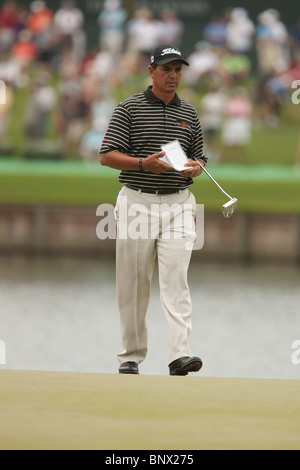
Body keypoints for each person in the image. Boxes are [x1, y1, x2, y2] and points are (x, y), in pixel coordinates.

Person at [99, 44, 207, 376]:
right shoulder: (129, 108)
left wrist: (196, 167)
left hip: (179, 203)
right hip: (137, 200)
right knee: (133, 282)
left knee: (176, 280)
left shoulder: (188, 113)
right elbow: (106, 154)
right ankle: (130, 356)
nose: (173, 75)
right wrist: (144, 164)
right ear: (151, 72)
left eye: (177, 70)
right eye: (166, 69)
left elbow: (200, 156)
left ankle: (179, 355)